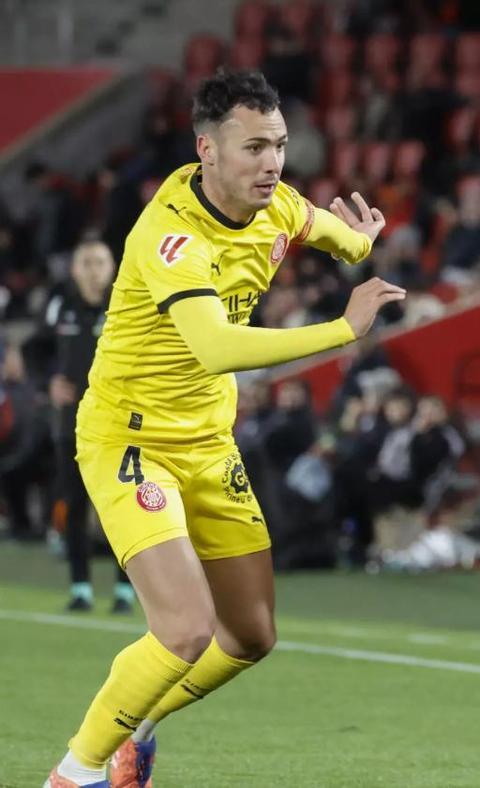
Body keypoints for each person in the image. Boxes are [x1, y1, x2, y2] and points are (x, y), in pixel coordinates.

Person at [45, 70, 405, 788]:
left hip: (208, 443)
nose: (271, 163)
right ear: (207, 151)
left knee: (249, 636)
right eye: (253, 148)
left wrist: (360, 243)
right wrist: (340, 331)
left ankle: (133, 732)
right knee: (182, 629)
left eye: (278, 145)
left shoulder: (279, 206)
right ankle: (73, 774)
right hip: (131, 438)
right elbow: (215, 348)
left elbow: (333, 234)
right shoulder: (171, 234)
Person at [41, 238, 136, 613]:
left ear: (112, 267)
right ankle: (80, 588)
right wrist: (46, 382)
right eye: (86, 262)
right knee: (76, 506)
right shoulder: (60, 305)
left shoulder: (127, 302)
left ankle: (125, 592)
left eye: (100, 262)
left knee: (124, 509)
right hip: (72, 426)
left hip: (122, 425)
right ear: (74, 269)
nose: (94, 269)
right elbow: (35, 348)